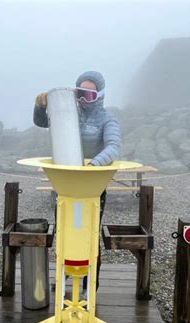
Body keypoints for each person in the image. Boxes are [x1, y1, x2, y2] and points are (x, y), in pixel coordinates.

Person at [33, 71, 121, 293]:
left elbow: (114, 147)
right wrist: (41, 106)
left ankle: (89, 285)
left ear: (99, 96)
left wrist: (92, 167)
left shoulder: (107, 118)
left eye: (89, 95)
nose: (83, 100)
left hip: (92, 185)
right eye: (79, 93)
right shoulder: (68, 112)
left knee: (89, 235)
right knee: (63, 232)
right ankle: (63, 281)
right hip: (67, 185)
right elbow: (42, 122)